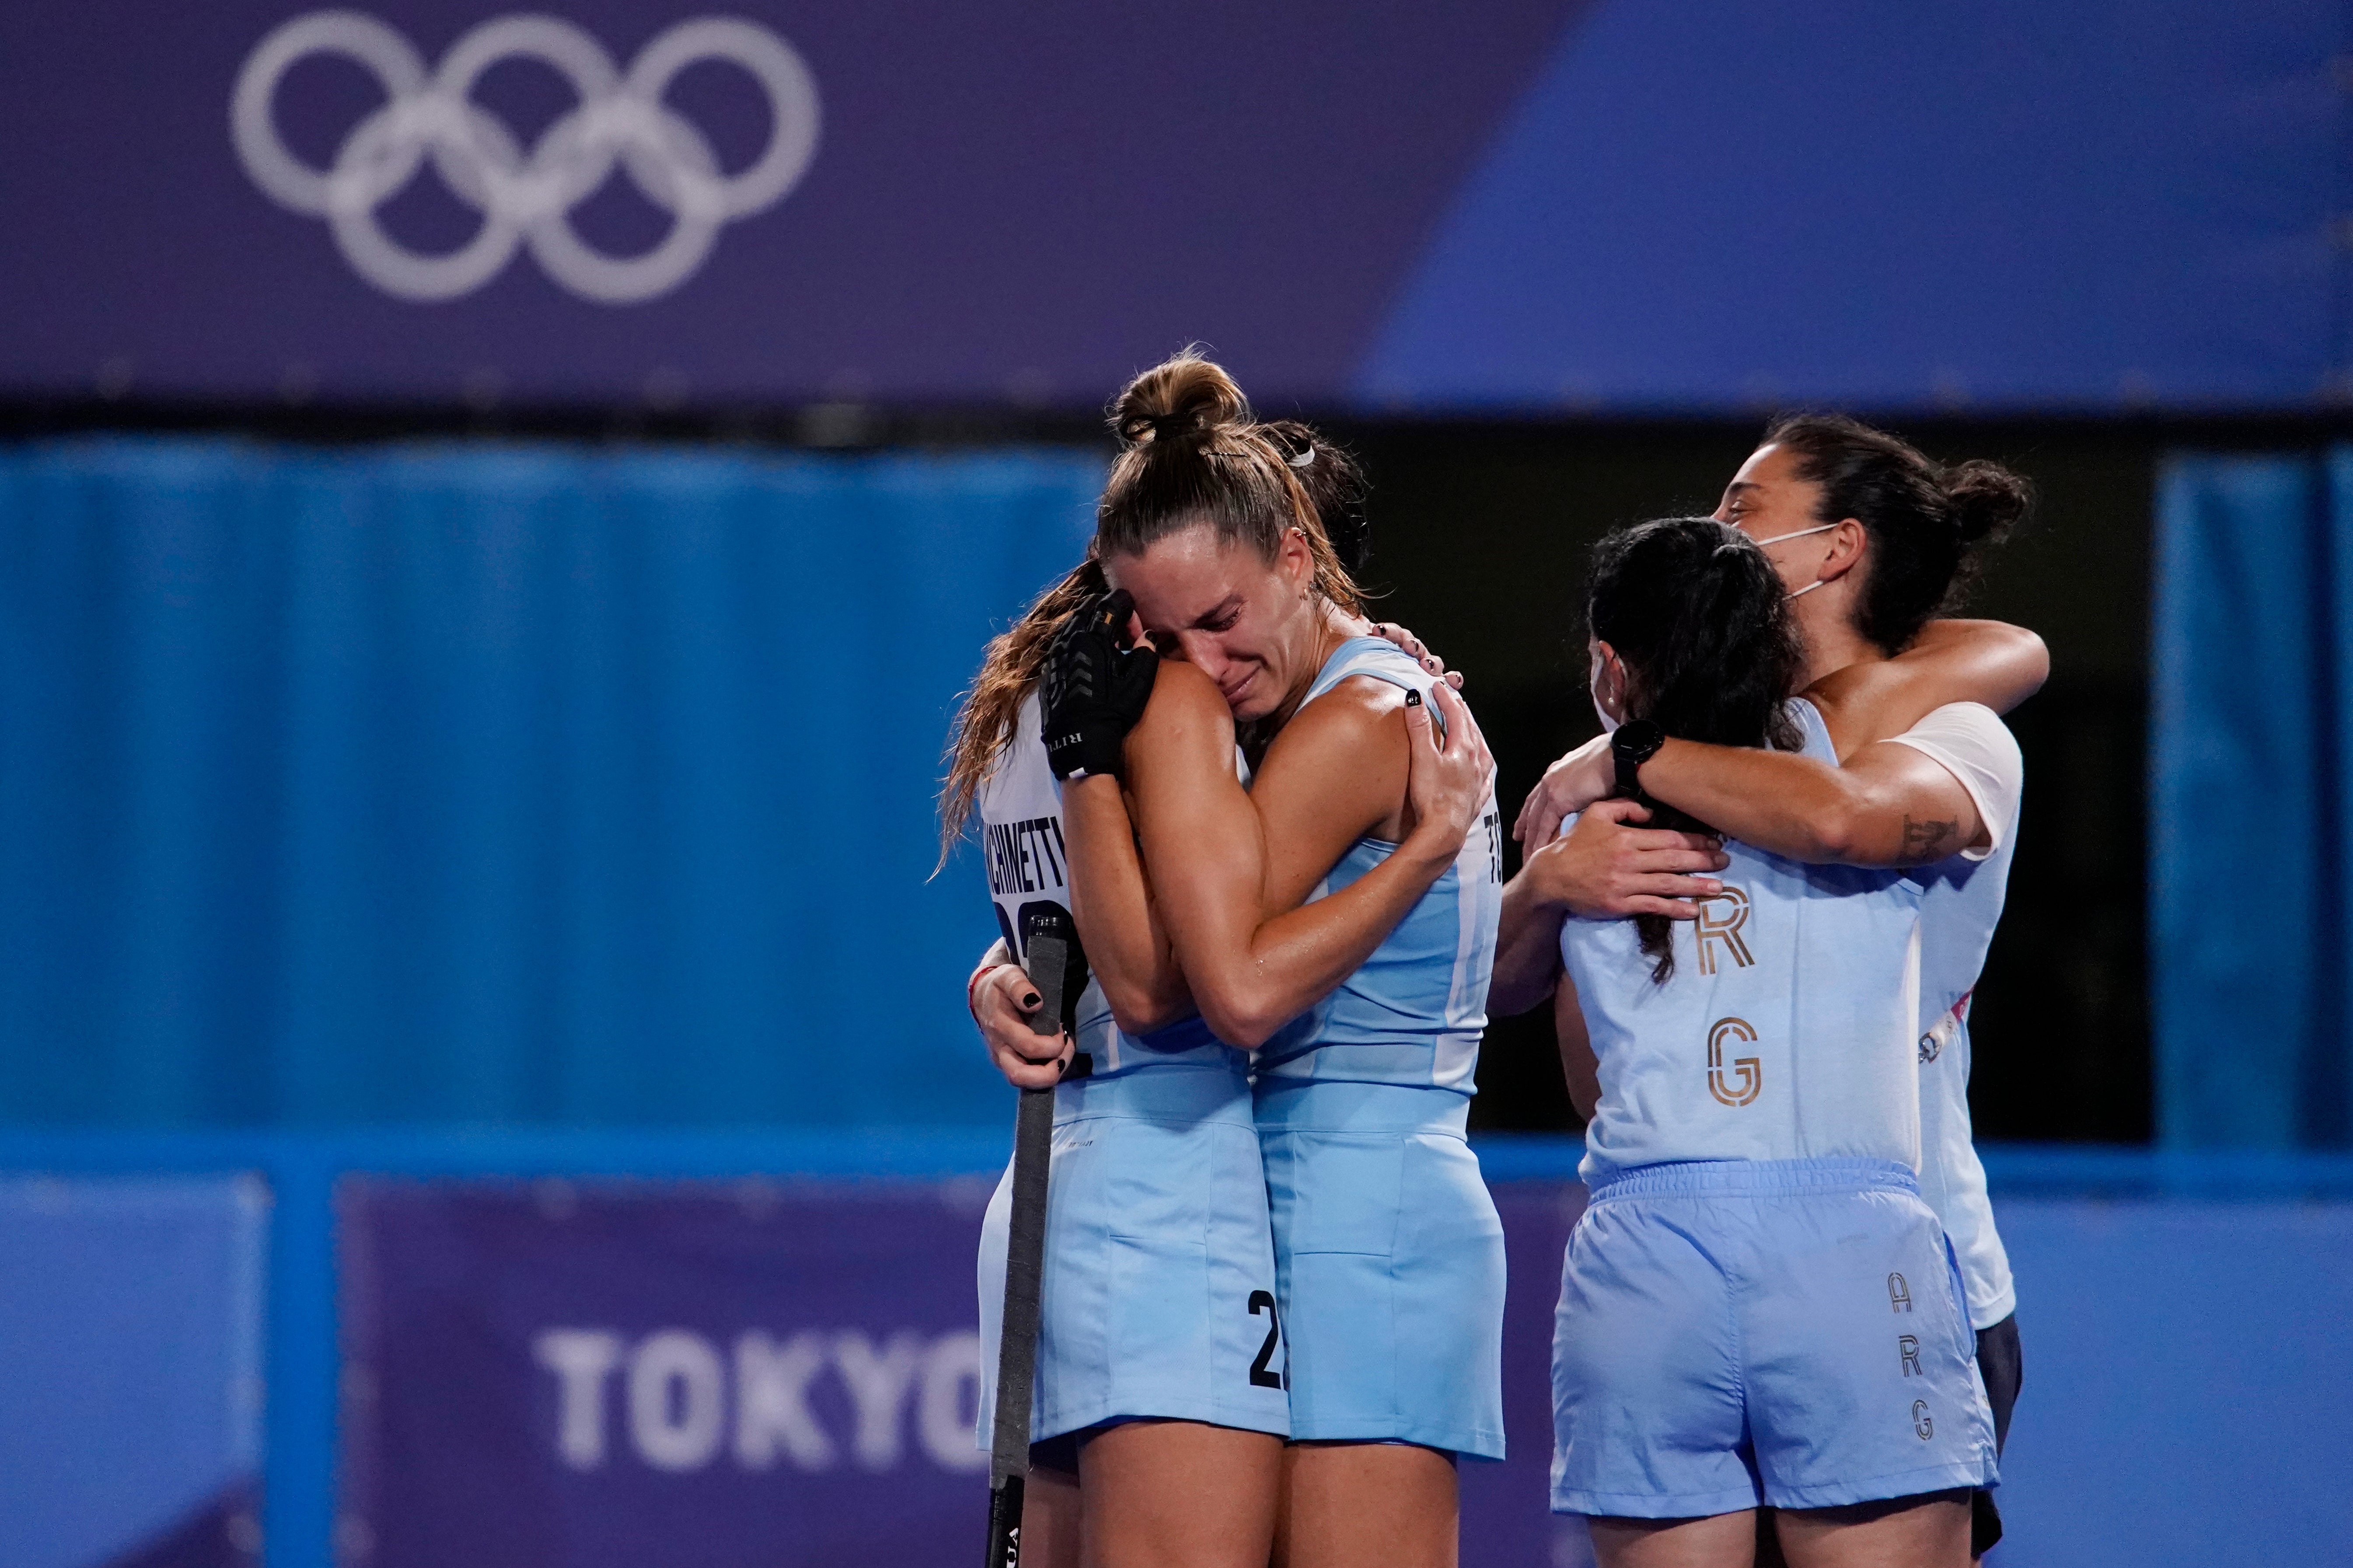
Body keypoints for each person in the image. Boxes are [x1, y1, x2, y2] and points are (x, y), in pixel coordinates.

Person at [943, 362, 1494, 1568]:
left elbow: (1202, 969)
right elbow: (1191, 973)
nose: (1201, 654)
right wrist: (1011, 966)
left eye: (1221, 617)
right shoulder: (1178, 706)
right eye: (1173, 625)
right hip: (1190, 1195)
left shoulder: (1330, 711)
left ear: (1299, 558)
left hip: (1298, 1206)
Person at [1509, 416, 2036, 1560]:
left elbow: (1996, 664)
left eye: (1741, 512)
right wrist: (1551, 873)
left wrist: (1620, 751)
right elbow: (1578, 1061)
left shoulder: (1936, 734)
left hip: (1909, 1241)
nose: (1716, 533)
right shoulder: (1604, 816)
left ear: (1835, 548)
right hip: (1793, 1244)